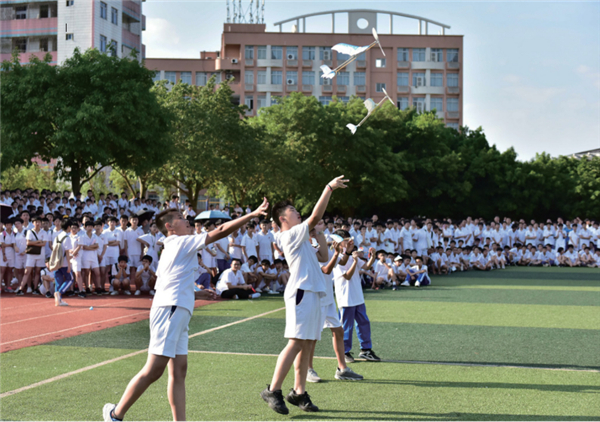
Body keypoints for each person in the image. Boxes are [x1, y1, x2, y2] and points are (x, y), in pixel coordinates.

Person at [103, 200, 268, 422]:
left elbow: (167, 281)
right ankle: (115, 415)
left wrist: (196, 294)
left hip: (178, 310)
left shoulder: (176, 246)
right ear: (170, 226)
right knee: (154, 370)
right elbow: (219, 231)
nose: (187, 221)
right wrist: (251, 215)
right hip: (169, 310)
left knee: (179, 371)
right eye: (180, 218)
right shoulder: (179, 243)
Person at [260, 176, 347, 415]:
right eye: (293, 210)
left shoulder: (302, 236)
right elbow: (316, 216)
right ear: (282, 219)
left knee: (308, 344)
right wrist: (328, 188)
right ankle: (273, 390)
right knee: (296, 342)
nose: (298, 213)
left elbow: (322, 257)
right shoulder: (289, 235)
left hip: (314, 293)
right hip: (301, 292)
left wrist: (318, 232)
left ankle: (298, 392)